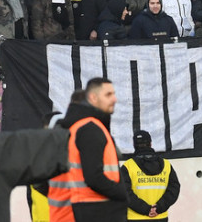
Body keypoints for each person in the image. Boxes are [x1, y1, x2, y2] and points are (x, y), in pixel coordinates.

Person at [49, 77, 127, 222]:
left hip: (84, 209)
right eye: (108, 95)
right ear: (93, 98)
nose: (115, 99)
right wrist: (122, 193)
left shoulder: (83, 127)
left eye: (114, 94)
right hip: (94, 210)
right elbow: (93, 177)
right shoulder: (89, 129)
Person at [120, 130, 181, 220]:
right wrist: (158, 208)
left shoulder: (128, 166)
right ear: (151, 144)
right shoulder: (166, 165)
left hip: (135, 218)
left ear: (134, 145)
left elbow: (124, 192)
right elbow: (174, 189)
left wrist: (146, 209)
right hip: (160, 217)